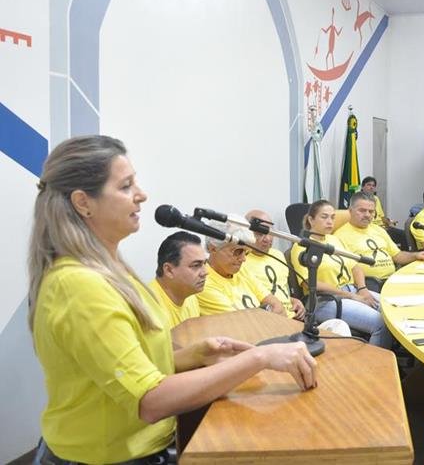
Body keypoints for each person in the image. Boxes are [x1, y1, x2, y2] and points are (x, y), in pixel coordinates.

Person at [28, 135, 316, 465]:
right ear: (83, 202)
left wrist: (195, 354)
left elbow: (128, 367)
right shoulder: (79, 285)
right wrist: (259, 358)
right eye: (126, 186)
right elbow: (149, 400)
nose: (141, 195)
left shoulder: (107, 268)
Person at [290, 200, 392, 348]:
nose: (330, 221)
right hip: (326, 300)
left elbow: (355, 266)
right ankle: (374, 361)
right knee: (380, 323)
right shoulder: (301, 246)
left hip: (352, 290)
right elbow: (310, 283)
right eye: (324, 217)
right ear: (311, 220)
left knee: (392, 311)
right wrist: (351, 296)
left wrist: (362, 289)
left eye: (332, 217)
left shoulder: (334, 239)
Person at [335, 192, 424, 291]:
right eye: (362, 210)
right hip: (369, 285)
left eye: (371, 211)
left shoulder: (378, 230)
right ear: (350, 211)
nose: (367, 215)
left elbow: (397, 256)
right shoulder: (340, 236)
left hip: (392, 280)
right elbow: (347, 269)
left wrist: (416, 255)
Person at [197, 221, 282, 315]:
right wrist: (268, 312)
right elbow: (239, 321)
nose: (243, 259)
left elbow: (277, 306)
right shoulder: (203, 283)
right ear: (213, 248)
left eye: (246, 252)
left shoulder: (241, 270)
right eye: (238, 251)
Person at [240, 209, 306, 320]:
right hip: (269, 319)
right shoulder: (241, 261)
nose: (267, 239)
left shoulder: (278, 255)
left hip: (294, 317)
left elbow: (280, 290)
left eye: (270, 233)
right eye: (260, 233)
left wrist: (294, 301)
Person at [149, 231, 206, 329]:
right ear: (169, 270)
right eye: (196, 265)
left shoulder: (191, 297)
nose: (205, 272)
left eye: (205, 263)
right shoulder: (149, 307)